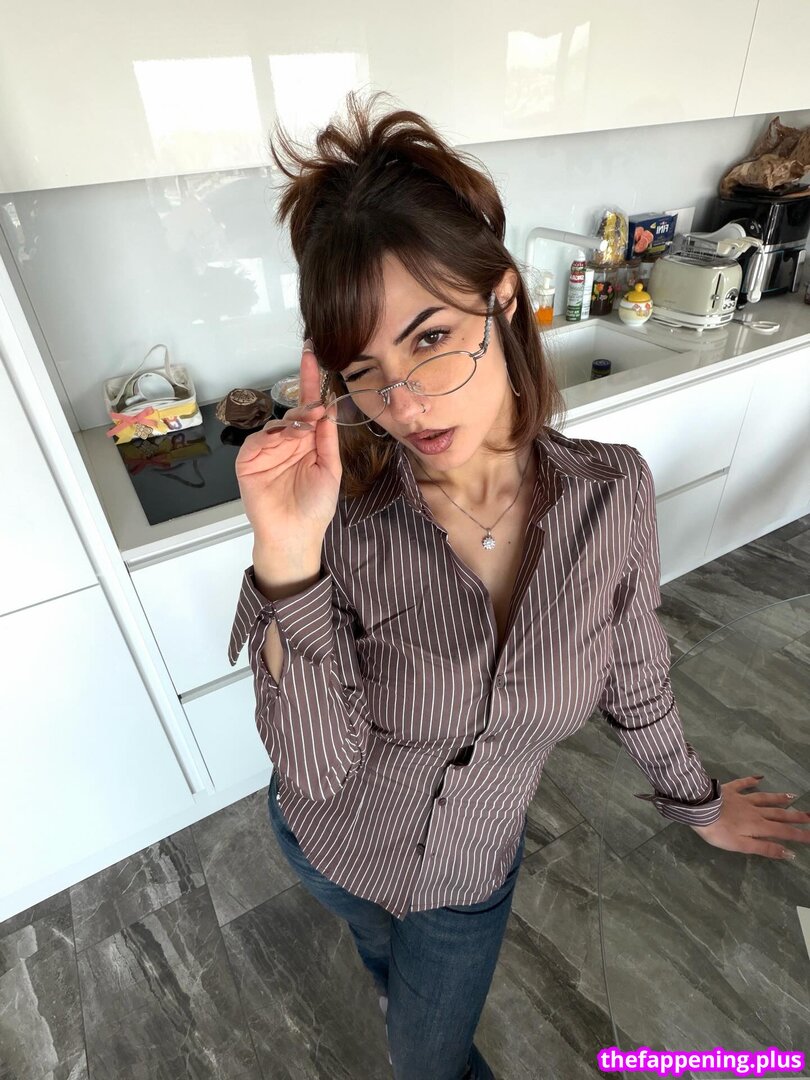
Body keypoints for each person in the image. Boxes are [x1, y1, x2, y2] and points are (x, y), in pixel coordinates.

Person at [227, 91, 809, 1080]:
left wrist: (697, 802)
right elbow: (316, 772)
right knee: (377, 952)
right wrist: (286, 558)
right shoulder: (344, 527)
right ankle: (388, 975)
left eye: (428, 338)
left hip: (466, 879)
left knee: (428, 1062)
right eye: (364, 369)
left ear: (501, 301)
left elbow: (635, 674)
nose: (403, 402)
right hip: (328, 846)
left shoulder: (611, 494)